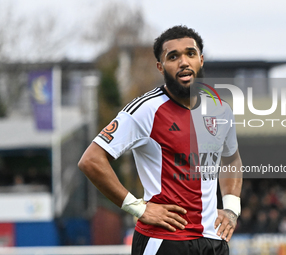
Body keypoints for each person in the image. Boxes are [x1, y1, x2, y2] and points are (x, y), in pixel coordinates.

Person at [78, 25, 243, 255]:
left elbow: (231, 158)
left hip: (213, 241)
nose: (183, 62)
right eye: (173, 56)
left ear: (201, 60)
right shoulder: (145, 110)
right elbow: (91, 160)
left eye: (190, 54)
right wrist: (138, 208)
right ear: (160, 66)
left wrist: (232, 208)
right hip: (164, 241)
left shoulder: (220, 109)